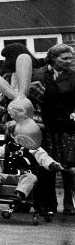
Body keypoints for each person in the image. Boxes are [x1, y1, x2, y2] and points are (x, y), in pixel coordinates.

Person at [31, 43, 75, 214]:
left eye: (70, 58)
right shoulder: (40, 74)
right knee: (46, 164)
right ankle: (49, 203)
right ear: (53, 59)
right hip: (45, 125)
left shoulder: (73, 77)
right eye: (64, 58)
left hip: (67, 126)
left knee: (68, 165)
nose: (69, 61)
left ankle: (69, 203)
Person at [0, 125, 64, 206]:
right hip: (8, 176)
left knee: (31, 177)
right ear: (12, 135)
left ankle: (19, 193)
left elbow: (43, 157)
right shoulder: (6, 148)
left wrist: (52, 164)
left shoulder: (32, 147)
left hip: (23, 176)